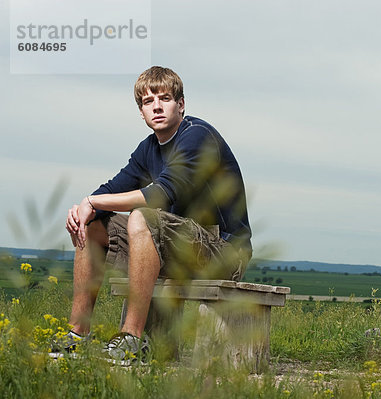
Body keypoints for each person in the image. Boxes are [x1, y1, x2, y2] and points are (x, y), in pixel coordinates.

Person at [52, 66, 252, 364]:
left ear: (181, 104)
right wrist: (87, 208)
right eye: (148, 101)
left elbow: (163, 193)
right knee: (92, 224)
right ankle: (78, 334)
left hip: (223, 252)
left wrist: (92, 201)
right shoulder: (148, 149)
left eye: (165, 98)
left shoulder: (197, 136)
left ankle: (131, 339)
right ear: (141, 112)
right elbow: (115, 186)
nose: (157, 106)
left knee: (141, 216)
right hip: (178, 248)